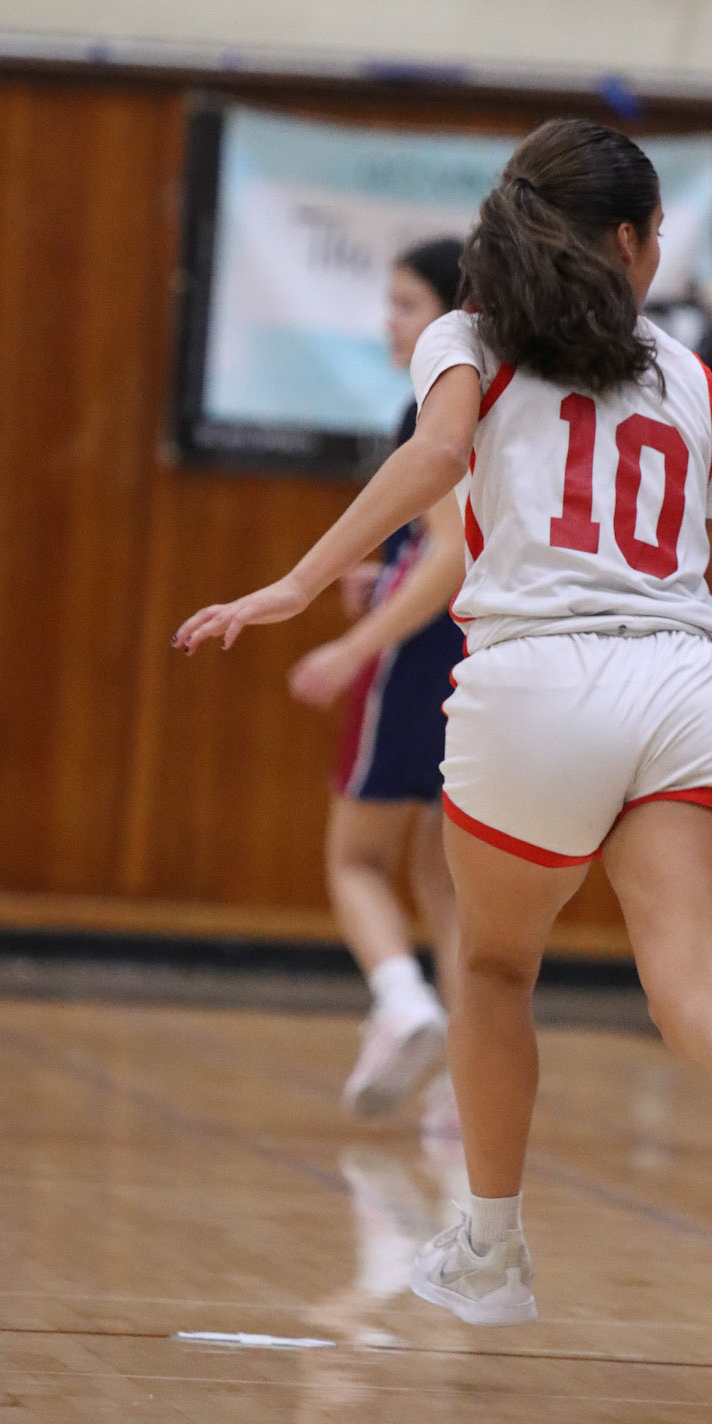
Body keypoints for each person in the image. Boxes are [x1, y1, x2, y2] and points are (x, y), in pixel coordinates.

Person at [175, 118, 712, 1363]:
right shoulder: (700, 386)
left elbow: (437, 453)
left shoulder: (471, 337)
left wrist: (294, 582)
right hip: (686, 685)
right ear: (633, 241)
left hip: (535, 681)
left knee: (494, 967)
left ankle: (490, 1246)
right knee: (700, 986)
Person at [285, 239, 468, 1128]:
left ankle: (401, 1001)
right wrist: (386, 568)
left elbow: (452, 553)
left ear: (451, 316)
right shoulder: (509, 402)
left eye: (405, 304)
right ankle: (471, 1073)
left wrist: (355, 646)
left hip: (419, 653)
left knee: (355, 857)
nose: (389, 322)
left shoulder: (437, 405)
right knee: (445, 878)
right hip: (488, 656)